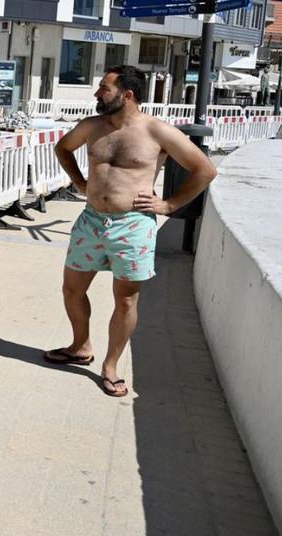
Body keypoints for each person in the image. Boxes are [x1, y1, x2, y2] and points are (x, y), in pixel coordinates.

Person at [48, 65, 217, 397]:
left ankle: (110, 366)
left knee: (125, 300)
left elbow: (205, 170)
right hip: (91, 220)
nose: (97, 94)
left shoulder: (157, 132)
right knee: (71, 290)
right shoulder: (91, 127)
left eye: (104, 89)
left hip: (133, 226)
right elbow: (63, 149)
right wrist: (80, 183)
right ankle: (80, 346)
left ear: (127, 95)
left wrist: (169, 205)